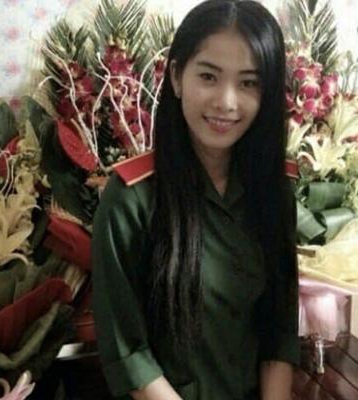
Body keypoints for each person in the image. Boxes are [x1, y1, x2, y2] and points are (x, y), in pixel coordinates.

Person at [91, 0, 299, 399]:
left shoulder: (274, 190)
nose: (226, 102)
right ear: (175, 77)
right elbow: (129, 355)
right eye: (208, 76)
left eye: (248, 83)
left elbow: (279, 330)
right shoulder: (130, 200)